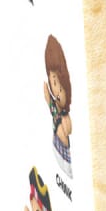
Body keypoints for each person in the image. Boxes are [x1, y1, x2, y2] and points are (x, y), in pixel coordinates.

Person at [43, 34, 73, 165]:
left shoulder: (64, 113)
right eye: (52, 81)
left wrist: (64, 123)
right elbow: (48, 97)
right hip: (56, 147)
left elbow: (69, 130)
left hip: (64, 153)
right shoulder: (54, 106)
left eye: (58, 85)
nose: (56, 90)